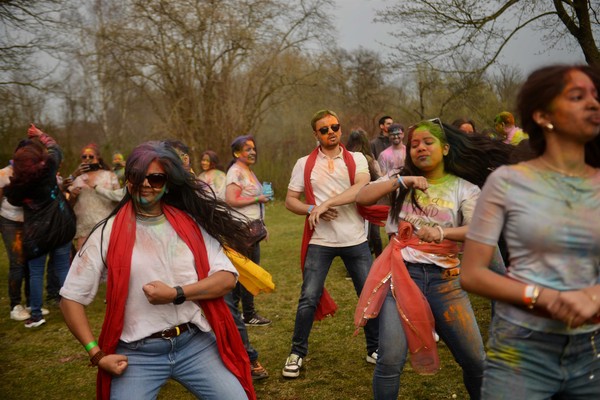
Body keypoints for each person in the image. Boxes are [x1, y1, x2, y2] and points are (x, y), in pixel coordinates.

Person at [59, 140, 256, 400]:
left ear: (167, 183)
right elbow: (70, 299)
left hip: (194, 344)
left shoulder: (191, 225)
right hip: (137, 354)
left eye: (155, 178)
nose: (145, 184)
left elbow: (227, 279)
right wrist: (96, 354)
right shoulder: (107, 233)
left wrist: (176, 293)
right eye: (137, 175)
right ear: (128, 180)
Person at [461, 65, 600, 399]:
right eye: (577, 96)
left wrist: (595, 296)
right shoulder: (507, 182)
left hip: (592, 353)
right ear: (542, 115)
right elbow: (473, 273)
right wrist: (542, 297)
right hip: (521, 350)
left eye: (596, 96)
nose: (594, 104)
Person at [355, 119, 513, 399]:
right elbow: (363, 197)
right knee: (389, 360)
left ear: (446, 148)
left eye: (429, 142)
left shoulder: (464, 188)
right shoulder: (400, 181)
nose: (420, 148)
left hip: (446, 284)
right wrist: (401, 181)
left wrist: (443, 232)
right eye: (415, 144)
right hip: (400, 279)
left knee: (475, 361)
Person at [282, 109, 383, 379]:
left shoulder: (358, 159)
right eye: (324, 129)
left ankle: (374, 348)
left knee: (368, 295)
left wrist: (325, 203)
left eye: (335, 127)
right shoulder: (304, 163)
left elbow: (360, 189)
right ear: (315, 134)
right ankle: (296, 353)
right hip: (321, 240)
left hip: (355, 239)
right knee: (308, 297)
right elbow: (290, 200)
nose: (331, 132)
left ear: (340, 128)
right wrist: (311, 208)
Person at [4, 125, 75, 328]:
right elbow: (56, 148)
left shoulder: (16, 187)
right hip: (62, 227)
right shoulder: (49, 168)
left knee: (36, 273)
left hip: (37, 235)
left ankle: (36, 314)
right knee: (63, 268)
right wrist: (40, 135)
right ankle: (71, 310)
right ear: (40, 159)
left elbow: (13, 201)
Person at [225, 135, 272, 327]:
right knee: (245, 274)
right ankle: (245, 314)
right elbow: (231, 200)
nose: (253, 152)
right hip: (241, 231)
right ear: (237, 153)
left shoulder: (248, 171)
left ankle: (239, 313)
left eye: (254, 148)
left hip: (252, 231)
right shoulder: (235, 172)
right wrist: (258, 199)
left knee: (246, 273)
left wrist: (263, 226)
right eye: (248, 149)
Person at [68, 143, 121, 250]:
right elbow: (70, 204)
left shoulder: (110, 176)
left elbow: (119, 198)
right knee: (83, 259)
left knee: (106, 258)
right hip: (84, 229)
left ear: (98, 158)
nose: (87, 159)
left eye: (91, 156)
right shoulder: (78, 178)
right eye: (84, 157)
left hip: (105, 227)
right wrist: (73, 196)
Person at [1, 160, 30, 321]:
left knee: (29, 261)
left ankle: (31, 302)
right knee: (17, 263)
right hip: (9, 221)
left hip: (29, 221)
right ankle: (15, 305)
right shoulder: (4, 174)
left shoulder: (33, 171)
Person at [347, 128, 384, 257]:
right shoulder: (367, 160)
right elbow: (378, 180)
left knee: (365, 234)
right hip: (364, 201)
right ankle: (376, 259)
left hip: (357, 201)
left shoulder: (349, 159)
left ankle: (375, 259)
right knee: (371, 234)